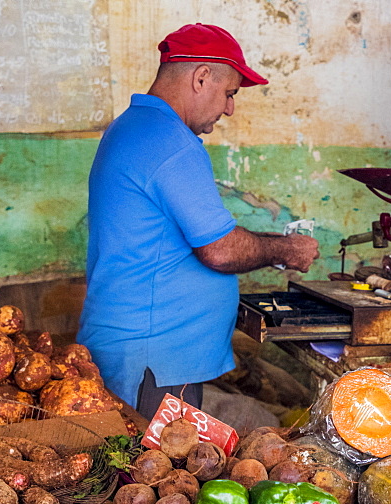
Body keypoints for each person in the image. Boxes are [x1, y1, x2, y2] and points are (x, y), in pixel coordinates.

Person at [78, 23, 319, 419]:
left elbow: (202, 236)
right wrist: (287, 250)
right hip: (154, 360)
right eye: (229, 94)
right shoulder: (170, 142)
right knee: (156, 473)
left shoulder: (134, 127)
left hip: (142, 350)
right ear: (201, 76)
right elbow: (220, 250)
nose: (229, 109)